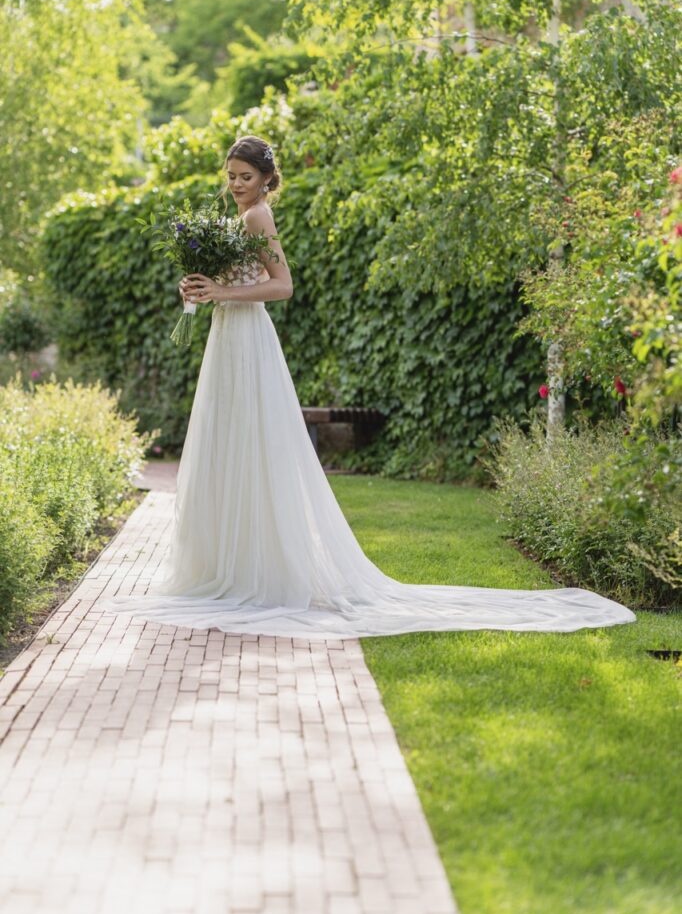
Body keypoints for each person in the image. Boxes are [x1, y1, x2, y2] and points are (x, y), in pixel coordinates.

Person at [100, 135, 637, 639]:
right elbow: (235, 284)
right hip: (227, 337)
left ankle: (253, 573)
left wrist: (222, 290)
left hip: (247, 339)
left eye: (245, 176)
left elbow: (282, 286)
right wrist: (198, 290)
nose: (236, 184)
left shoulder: (259, 215)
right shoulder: (236, 217)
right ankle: (235, 565)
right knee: (230, 444)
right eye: (231, 176)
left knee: (251, 443)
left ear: (267, 179)